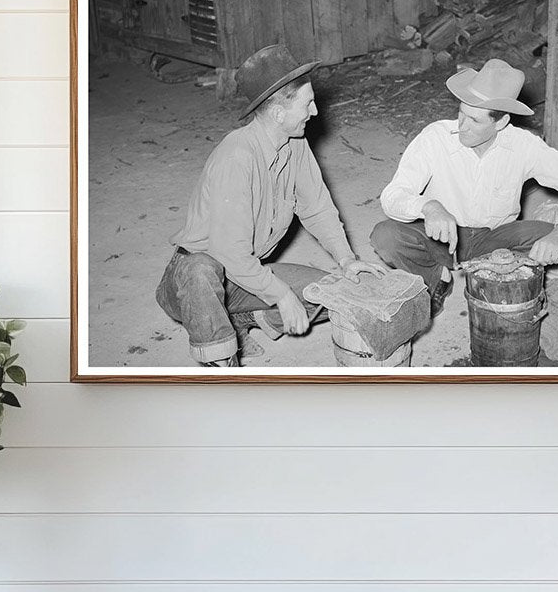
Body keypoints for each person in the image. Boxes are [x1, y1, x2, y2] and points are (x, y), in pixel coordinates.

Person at [156, 44, 386, 366]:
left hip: (243, 276)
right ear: (279, 114)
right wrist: (280, 294)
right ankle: (220, 362)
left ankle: (241, 320)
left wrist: (346, 260)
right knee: (202, 269)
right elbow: (229, 253)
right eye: (308, 103)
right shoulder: (237, 156)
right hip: (192, 284)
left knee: (332, 293)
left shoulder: (296, 144)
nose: (316, 112)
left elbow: (317, 208)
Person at [370, 57, 558, 315]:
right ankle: (436, 280)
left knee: (557, 240)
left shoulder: (523, 145)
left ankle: (495, 280)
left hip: (495, 241)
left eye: (475, 121)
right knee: (386, 236)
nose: (462, 126)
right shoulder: (435, 138)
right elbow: (393, 196)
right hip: (442, 237)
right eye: (461, 114)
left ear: (501, 122)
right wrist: (429, 206)